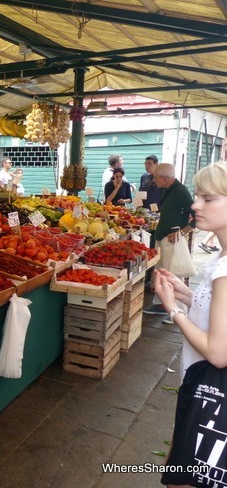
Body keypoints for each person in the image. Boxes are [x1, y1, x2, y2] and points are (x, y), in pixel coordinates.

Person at [153, 161, 227, 486]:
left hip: (209, 395)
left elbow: (218, 351)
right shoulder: (220, 257)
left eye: (207, 198)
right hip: (202, 389)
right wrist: (184, 293)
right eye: (196, 196)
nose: (195, 205)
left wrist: (172, 310)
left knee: (182, 477)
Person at [144, 163, 195, 320]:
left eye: (156, 178)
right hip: (162, 237)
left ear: (165, 179)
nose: (154, 181)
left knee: (172, 275)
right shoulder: (168, 189)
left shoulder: (181, 192)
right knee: (161, 272)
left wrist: (182, 231)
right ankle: (161, 304)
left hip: (172, 239)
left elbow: (197, 215)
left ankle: (179, 311)